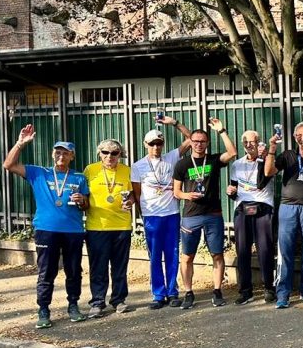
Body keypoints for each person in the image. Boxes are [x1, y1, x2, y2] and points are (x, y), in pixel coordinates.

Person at [2, 126, 89, 328]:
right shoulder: (38, 173)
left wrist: (82, 200)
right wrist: (20, 144)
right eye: (58, 152)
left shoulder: (79, 177)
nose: (61, 156)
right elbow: (9, 165)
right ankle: (43, 310)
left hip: (73, 231)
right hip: (46, 230)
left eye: (65, 153)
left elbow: (86, 206)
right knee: (46, 272)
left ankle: (73, 306)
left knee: (74, 270)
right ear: (52, 154)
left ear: (72, 156)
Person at [172, 118, 237, 309]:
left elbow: (232, 153)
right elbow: (176, 192)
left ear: (207, 143)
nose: (199, 144)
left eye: (202, 141)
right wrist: (187, 195)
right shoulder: (182, 164)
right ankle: (189, 292)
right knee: (187, 256)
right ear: (190, 142)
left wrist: (222, 130)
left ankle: (217, 291)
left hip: (213, 215)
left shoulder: (214, 160)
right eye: (195, 141)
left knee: (217, 254)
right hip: (191, 216)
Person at [131, 118, 192, 309]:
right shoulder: (138, 166)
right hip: (152, 217)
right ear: (145, 145)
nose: (156, 147)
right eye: (152, 144)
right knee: (155, 256)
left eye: (159, 143)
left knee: (173, 254)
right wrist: (144, 215)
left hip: (172, 214)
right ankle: (158, 294)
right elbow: (137, 193)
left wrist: (175, 123)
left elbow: (191, 139)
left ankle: (173, 292)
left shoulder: (172, 157)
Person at [265, 120, 303, 308]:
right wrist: (272, 148)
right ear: (294, 138)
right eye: (299, 136)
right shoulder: (287, 155)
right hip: (287, 207)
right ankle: (283, 293)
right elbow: (268, 171)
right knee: (285, 250)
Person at [83, 139, 134, 317]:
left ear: (120, 154)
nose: (109, 156)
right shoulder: (90, 170)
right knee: (98, 266)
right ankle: (97, 302)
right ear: (100, 153)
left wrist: (130, 202)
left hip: (121, 225)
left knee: (120, 266)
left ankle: (119, 300)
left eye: (114, 153)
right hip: (97, 226)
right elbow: (83, 194)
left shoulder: (127, 170)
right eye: (105, 152)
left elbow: (133, 194)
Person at [228, 131, 275, 305]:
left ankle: (269, 288)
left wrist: (262, 158)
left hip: (263, 207)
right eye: (245, 142)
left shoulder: (266, 161)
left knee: (265, 250)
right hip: (242, 208)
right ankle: (245, 290)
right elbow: (234, 189)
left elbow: (263, 181)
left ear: (259, 143)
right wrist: (230, 192)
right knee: (242, 251)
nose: (249, 145)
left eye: (253, 142)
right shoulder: (237, 165)